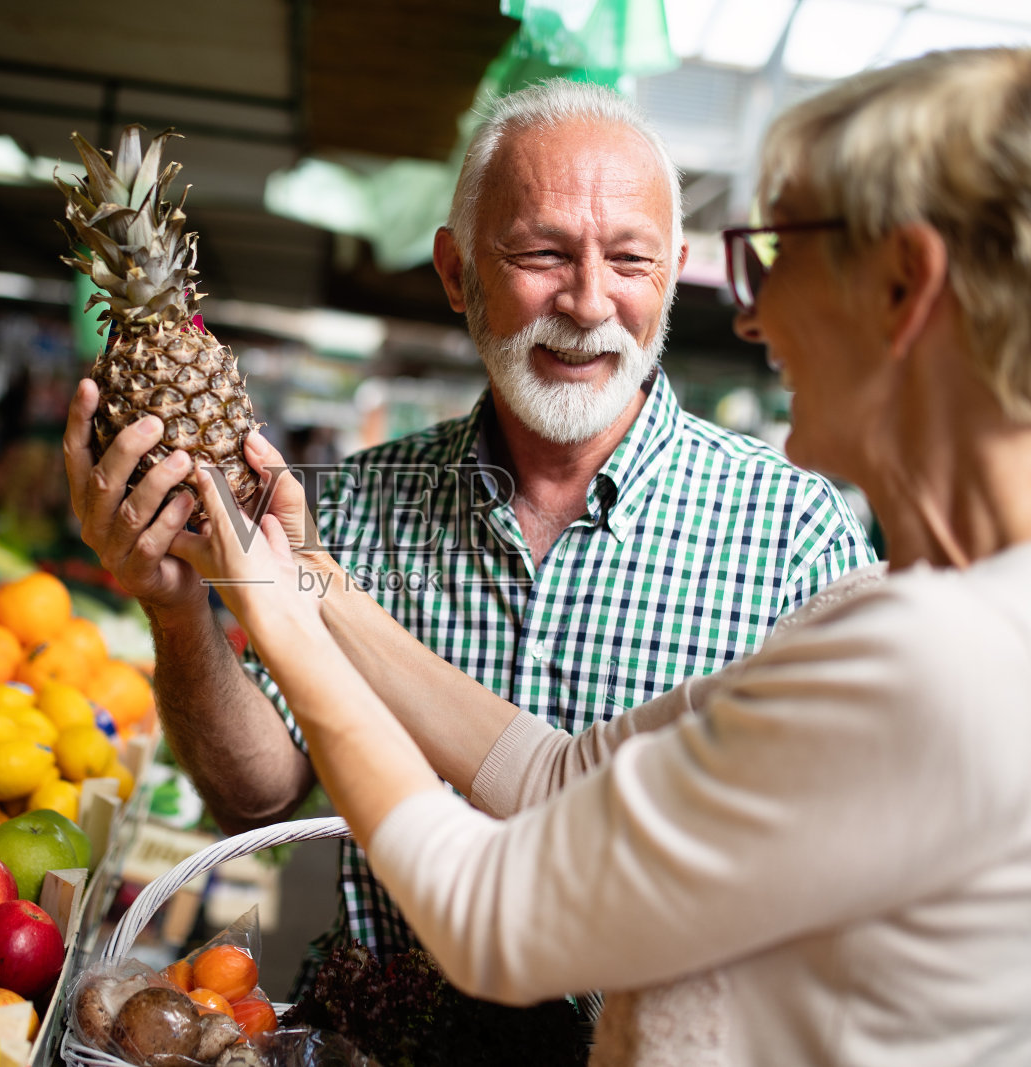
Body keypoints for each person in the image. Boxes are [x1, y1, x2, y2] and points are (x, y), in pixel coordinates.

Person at [167, 45, 1031, 1065]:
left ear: (905, 284)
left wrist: (274, 604)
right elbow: (557, 773)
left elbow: (487, 913)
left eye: (776, 253)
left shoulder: (938, 656)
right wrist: (313, 585)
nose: (747, 311)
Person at [64, 79, 874, 971]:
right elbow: (259, 803)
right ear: (457, 273)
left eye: (632, 261)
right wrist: (179, 612)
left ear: (675, 271)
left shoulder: (795, 534)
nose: (590, 301)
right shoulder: (357, 501)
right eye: (543, 252)